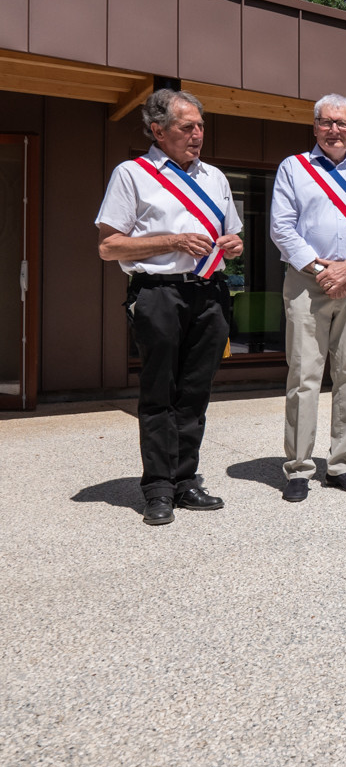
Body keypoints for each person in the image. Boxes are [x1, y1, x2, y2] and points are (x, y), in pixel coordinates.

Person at [95, 89, 244, 526]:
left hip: (209, 293)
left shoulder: (214, 177)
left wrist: (234, 245)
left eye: (200, 126)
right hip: (158, 292)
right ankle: (157, 487)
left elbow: (232, 235)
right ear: (158, 130)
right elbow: (108, 246)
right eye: (187, 127)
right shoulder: (132, 174)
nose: (197, 135)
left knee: (196, 390)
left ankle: (186, 480)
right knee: (159, 391)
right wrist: (172, 241)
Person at [269, 94, 346, 503]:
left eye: (343, 123)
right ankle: (299, 469)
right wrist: (321, 270)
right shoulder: (294, 167)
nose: (335, 130)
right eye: (327, 122)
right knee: (304, 376)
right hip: (307, 282)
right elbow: (281, 228)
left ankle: (341, 464)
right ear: (315, 126)